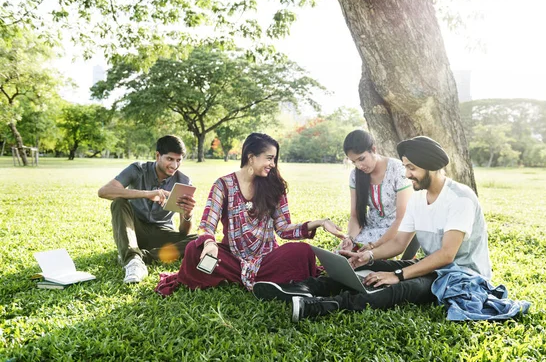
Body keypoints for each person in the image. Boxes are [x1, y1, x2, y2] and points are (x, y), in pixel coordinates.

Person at [253, 136, 493, 321]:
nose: (407, 174)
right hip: (432, 267)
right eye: (406, 167)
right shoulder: (419, 199)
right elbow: (399, 243)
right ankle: (305, 288)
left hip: (460, 275)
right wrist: (365, 256)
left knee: (402, 287)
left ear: (430, 166)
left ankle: (327, 306)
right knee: (365, 267)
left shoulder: (460, 198)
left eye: (412, 168)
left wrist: (397, 275)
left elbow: (447, 255)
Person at [155, 133, 346, 295]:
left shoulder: (275, 186)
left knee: (302, 252)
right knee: (193, 251)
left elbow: (284, 229)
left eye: (274, 159)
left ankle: (254, 278)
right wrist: (210, 244)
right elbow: (207, 224)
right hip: (231, 257)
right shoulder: (223, 185)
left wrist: (319, 223)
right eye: (269, 158)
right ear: (251, 157)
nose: (273, 164)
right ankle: (265, 281)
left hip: (266, 258)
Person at [98, 135, 197, 284]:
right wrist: (147, 194)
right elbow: (104, 191)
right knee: (118, 202)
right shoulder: (137, 169)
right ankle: (132, 261)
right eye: (170, 159)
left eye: (179, 160)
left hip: (161, 235)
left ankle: (142, 257)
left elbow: (184, 233)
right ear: (158, 156)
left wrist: (188, 214)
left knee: (199, 241)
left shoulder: (184, 182)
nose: (174, 165)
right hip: (134, 230)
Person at [338, 130, 419, 258]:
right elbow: (355, 215)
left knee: (365, 259)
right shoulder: (355, 175)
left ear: (373, 150)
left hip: (395, 230)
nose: (359, 166)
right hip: (370, 227)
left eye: (361, 159)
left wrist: (374, 246)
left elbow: (401, 218)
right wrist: (350, 238)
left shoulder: (397, 169)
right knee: (342, 255)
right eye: (354, 162)